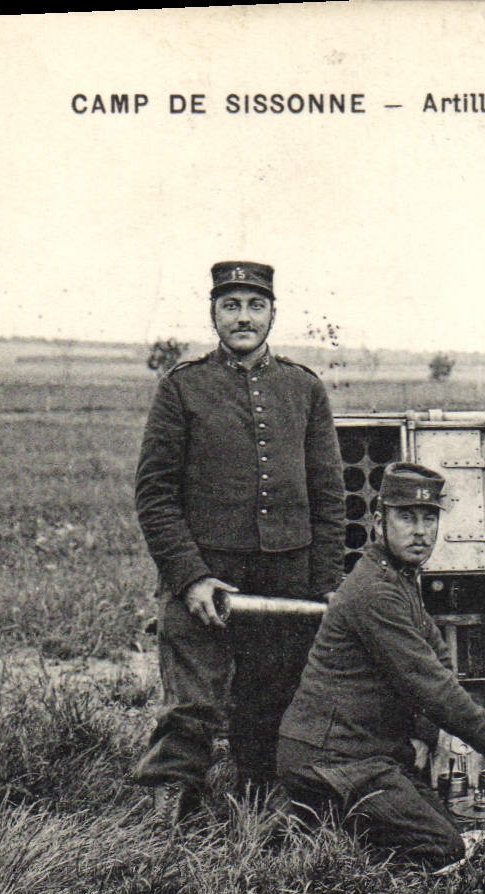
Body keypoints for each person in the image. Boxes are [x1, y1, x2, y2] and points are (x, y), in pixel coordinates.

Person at [133, 261, 346, 817]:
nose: (244, 318)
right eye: (231, 306)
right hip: (208, 575)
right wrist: (191, 577)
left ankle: (263, 807)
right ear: (213, 313)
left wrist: (323, 585)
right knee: (191, 702)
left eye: (255, 306)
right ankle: (169, 816)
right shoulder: (183, 387)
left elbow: (328, 499)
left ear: (273, 312)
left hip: (285, 578)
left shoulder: (303, 389)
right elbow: (155, 497)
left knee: (272, 697)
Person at [276, 463, 485, 869]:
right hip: (331, 759)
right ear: (380, 523)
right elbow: (424, 678)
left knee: (448, 825)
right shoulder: (374, 590)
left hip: (365, 753)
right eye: (406, 517)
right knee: (443, 849)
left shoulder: (399, 578)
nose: (420, 530)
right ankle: (318, 834)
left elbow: (437, 659)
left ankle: (329, 823)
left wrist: (424, 735)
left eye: (429, 517)